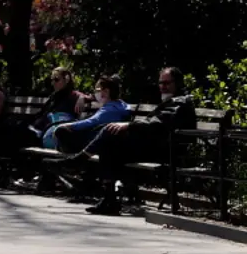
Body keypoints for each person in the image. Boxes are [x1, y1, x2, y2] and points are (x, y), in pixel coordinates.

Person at [58, 68, 195, 215]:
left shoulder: (180, 102)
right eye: (161, 83)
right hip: (155, 146)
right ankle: (109, 199)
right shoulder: (172, 100)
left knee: (109, 134)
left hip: (167, 151)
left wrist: (128, 125)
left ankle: (81, 159)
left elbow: (158, 124)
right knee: (109, 141)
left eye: (167, 83)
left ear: (178, 83)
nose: (162, 86)